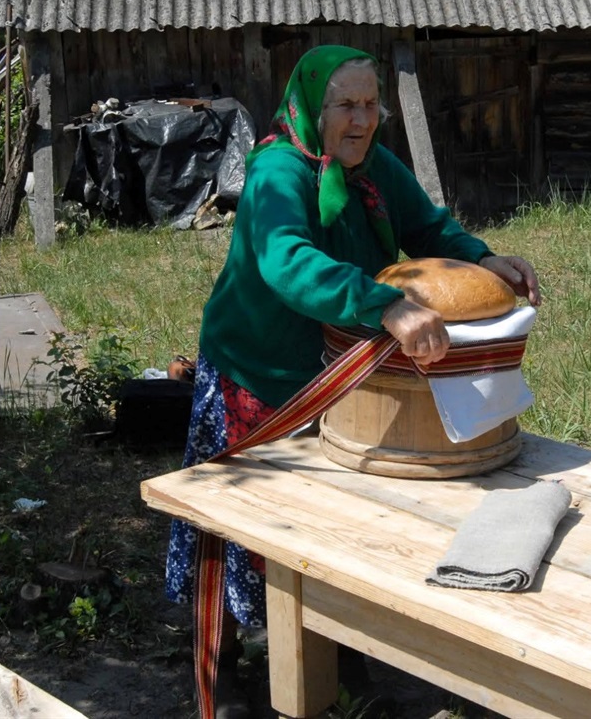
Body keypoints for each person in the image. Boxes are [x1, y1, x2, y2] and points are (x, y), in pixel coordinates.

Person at [165, 45, 540, 716]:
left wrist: (485, 260)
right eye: (346, 104)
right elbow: (287, 260)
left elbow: (426, 226)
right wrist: (382, 303)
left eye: (371, 105)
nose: (362, 119)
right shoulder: (279, 174)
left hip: (333, 377)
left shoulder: (373, 168)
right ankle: (219, 676)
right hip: (257, 371)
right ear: (313, 106)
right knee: (239, 525)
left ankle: (335, 655)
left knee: (323, 521)